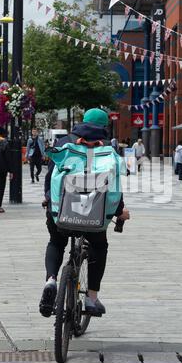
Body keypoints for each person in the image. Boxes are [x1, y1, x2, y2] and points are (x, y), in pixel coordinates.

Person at [39, 108, 130, 318]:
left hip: (62, 213)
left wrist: (48, 199)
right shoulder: (108, 149)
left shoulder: (64, 144)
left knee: (56, 242)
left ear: (82, 122)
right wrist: (119, 211)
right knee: (99, 246)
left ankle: (51, 280)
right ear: (104, 127)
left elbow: (51, 177)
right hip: (94, 217)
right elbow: (114, 189)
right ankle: (91, 298)